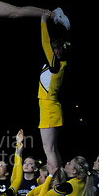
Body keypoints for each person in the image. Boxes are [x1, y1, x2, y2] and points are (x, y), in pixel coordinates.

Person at [38, 11, 70, 169]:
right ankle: (59, 179)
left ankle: (56, 181)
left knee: (48, 149)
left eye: (53, 49)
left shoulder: (56, 65)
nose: (50, 50)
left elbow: (45, 42)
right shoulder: (57, 65)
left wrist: (43, 21)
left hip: (49, 107)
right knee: (52, 148)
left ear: (56, 51)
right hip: (50, 107)